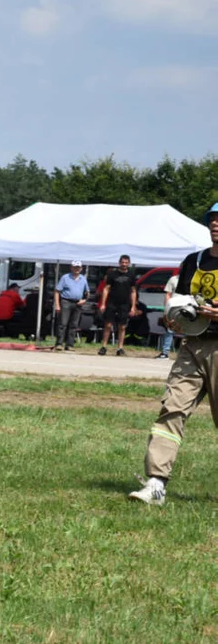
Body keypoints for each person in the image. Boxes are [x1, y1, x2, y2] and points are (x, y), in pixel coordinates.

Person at [130, 203, 218, 506]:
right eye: (213, 219)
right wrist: (174, 317)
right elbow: (181, 298)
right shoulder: (194, 261)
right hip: (191, 347)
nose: (216, 224)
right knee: (171, 410)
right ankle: (156, 484)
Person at [98, 254, 138, 356]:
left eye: (126, 262)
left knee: (122, 326)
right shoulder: (112, 274)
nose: (124, 264)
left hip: (124, 304)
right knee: (108, 325)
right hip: (112, 302)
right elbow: (106, 289)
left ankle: (120, 348)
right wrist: (103, 303)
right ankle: (104, 346)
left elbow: (133, 291)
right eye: (122, 262)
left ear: (129, 263)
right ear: (119, 262)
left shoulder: (131, 275)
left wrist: (133, 306)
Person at [54, 260, 90, 351]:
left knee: (74, 325)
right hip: (66, 301)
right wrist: (57, 305)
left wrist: (84, 300)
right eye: (75, 267)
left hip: (78, 303)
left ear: (81, 268)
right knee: (63, 324)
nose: (77, 269)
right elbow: (57, 291)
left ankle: (70, 344)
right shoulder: (65, 277)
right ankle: (59, 343)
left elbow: (87, 292)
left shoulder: (83, 279)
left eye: (78, 267)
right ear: (71, 267)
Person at [157, 272, 181, 359]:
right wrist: (166, 308)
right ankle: (165, 353)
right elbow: (168, 294)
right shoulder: (173, 279)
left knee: (188, 332)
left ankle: (186, 355)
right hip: (173, 309)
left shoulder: (193, 279)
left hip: (187, 308)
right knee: (170, 329)